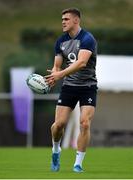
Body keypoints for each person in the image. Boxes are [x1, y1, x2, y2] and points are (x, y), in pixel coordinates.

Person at [45, 8, 98, 173]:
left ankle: (78, 164)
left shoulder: (87, 39)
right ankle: (56, 150)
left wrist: (60, 74)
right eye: (62, 19)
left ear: (76, 20)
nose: (63, 22)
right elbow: (57, 65)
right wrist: (54, 75)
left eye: (66, 19)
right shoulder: (61, 41)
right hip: (69, 87)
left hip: (88, 86)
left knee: (84, 123)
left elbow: (81, 63)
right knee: (58, 125)